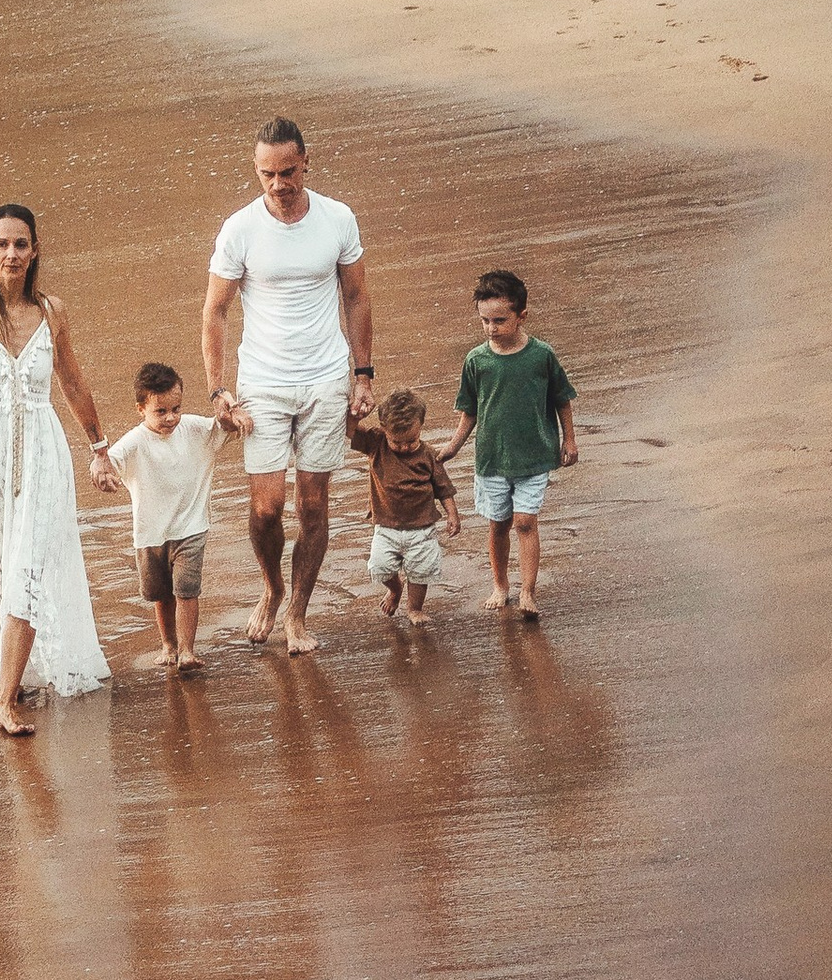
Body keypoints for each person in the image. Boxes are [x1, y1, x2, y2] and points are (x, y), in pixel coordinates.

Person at [0, 202, 115, 735]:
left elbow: (72, 382)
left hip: (43, 454)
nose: (12, 253)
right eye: (2, 244)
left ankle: (5, 701)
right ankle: (22, 677)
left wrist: (99, 448)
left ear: (35, 251)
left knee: (28, 571)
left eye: (21, 244)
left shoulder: (52, 312)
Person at [199, 117, 374, 656]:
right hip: (263, 381)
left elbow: (356, 297)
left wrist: (363, 375)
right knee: (267, 508)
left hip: (325, 378)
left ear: (306, 163)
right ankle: (272, 587)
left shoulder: (337, 218)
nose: (278, 184)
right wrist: (217, 390)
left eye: (288, 172)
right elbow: (215, 311)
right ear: (257, 171)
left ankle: (297, 612)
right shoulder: (240, 229)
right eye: (267, 174)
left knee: (313, 506)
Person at [449, 268, 577, 622]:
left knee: (524, 521)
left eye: (500, 320)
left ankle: (528, 590)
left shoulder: (541, 355)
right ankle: (501, 585)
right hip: (491, 458)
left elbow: (562, 399)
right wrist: (453, 447)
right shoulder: (477, 361)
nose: (491, 328)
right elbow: (470, 412)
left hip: (535, 455)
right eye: (485, 321)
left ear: (522, 316)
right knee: (498, 524)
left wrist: (569, 438)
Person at [107, 360, 231, 673]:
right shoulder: (134, 442)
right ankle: (168, 646)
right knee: (161, 595)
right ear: (141, 409)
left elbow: (224, 426)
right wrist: (101, 471)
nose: (171, 417)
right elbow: (109, 463)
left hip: (191, 527)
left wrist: (234, 413)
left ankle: (187, 650)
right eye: (160, 411)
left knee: (187, 591)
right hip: (150, 533)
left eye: (176, 408)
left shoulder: (193, 428)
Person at [348, 384, 463, 626]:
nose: (404, 447)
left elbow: (443, 488)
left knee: (421, 571)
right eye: (397, 442)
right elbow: (350, 431)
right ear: (384, 429)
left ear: (421, 427)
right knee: (380, 566)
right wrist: (355, 414)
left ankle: (414, 608)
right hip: (385, 526)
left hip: (422, 528)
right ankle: (395, 589)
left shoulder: (428, 455)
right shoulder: (376, 444)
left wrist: (452, 514)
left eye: (412, 440)